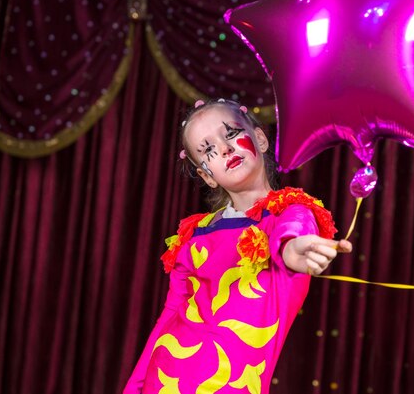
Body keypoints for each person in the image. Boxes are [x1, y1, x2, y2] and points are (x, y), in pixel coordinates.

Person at [124, 98, 352, 394]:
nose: (224, 148)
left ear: (259, 138)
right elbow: (168, 318)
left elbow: (290, 240)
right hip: (165, 378)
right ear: (207, 175)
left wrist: (293, 250)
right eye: (207, 150)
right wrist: (134, 387)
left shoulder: (292, 212)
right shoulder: (195, 235)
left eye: (230, 133)